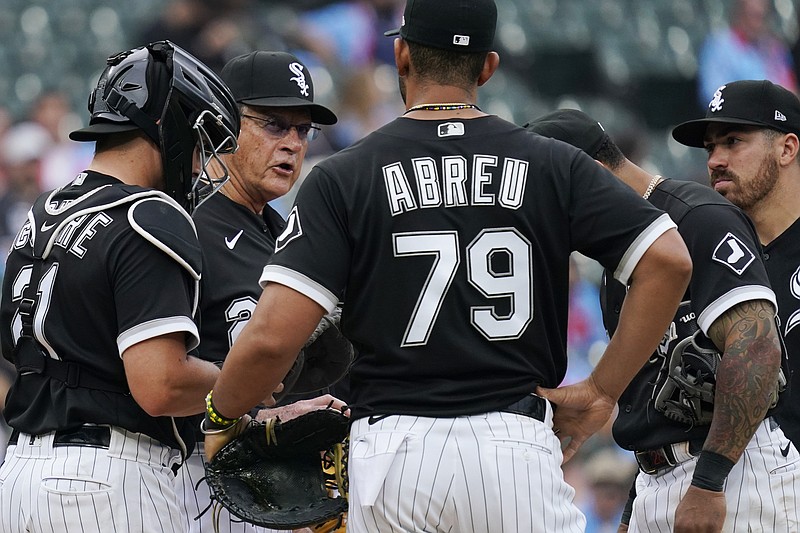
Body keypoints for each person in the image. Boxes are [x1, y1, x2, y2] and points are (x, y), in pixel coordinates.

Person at [203, 1, 692, 532]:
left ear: (402, 55)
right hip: (514, 447)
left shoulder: (344, 176)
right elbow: (667, 260)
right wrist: (601, 391)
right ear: (488, 67)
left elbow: (273, 338)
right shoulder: (552, 162)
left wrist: (222, 414)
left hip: (395, 453)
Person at [0, 41, 240, 532]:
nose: (199, 165)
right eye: (198, 144)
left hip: (19, 475)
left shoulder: (43, 212)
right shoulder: (149, 213)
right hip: (106, 481)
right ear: (168, 126)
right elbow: (161, 385)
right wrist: (250, 381)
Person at [527, 108, 796, 532]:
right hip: (663, 478)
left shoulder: (697, 217)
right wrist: (636, 507)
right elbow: (652, 406)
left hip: (736, 475)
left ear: (592, 174)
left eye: (551, 198)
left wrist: (709, 483)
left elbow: (758, 350)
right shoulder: (622, 258)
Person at [177, 49, 347, 533]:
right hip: (186, 473)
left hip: (261, 481)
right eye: (274, 125)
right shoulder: (180, 224)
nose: (293, 143)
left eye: (303, 130)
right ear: (224, 125)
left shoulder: (287, 237)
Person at [673, 78, 800, 453]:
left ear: (787, 148)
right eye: (711, 147)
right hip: (720, 489)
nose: (714, 161)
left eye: (733, 141)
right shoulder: (705, 259)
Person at [697, 0, 797, 109]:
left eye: (763, 16)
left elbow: (791, 91)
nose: (758, 23)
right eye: (753, 16)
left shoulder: (775, 48)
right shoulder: (718, 45)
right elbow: (714, 95)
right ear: (739, 14)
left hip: (775, 119)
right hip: (737, 118)